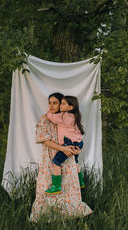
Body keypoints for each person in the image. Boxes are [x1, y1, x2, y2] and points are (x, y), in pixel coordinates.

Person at [29, 93, 92, 222]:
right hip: (52, 157)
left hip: (68, 157)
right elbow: (45, 141)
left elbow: (76, 135)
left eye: (55, 103)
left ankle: (69, 217)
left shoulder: (65, 118)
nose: (51, 106)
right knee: (47, 186)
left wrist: (76, 148)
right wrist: (64, 149)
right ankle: (45, 217)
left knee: (68, 189)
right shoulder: (45, 119)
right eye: (49, 103)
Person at [44, 96, 85, 194]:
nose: (61, 105)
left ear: (70, 107)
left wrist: (49, 111)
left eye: (63, 104)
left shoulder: (64, 116)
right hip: (78, 142)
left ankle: (56, 186)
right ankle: (81, 182)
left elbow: (50, 116)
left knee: (56, 162)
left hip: (69, 143)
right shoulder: (74, 116)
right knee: (75, 161)